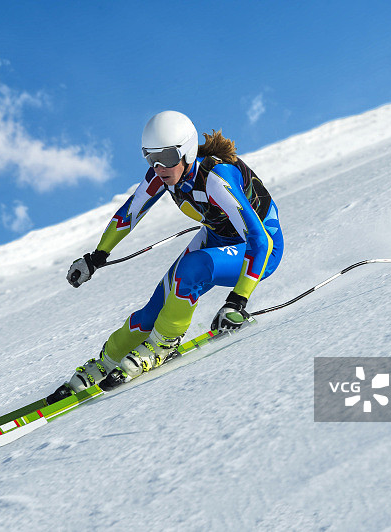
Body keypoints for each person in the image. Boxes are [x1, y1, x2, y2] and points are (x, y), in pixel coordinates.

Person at [48, 110, 283, 403]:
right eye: (151, 157)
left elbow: (259, 240)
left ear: (186, 152)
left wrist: (237, 300)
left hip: (259, 250)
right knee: (152, 312)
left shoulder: (215, 178)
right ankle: (104, 364)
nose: (159, 166)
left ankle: (163, 345)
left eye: (168, 156)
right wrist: (96, 257)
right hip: (216, 240)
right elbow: (128, 214)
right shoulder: (163, 176)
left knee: (191, 268)